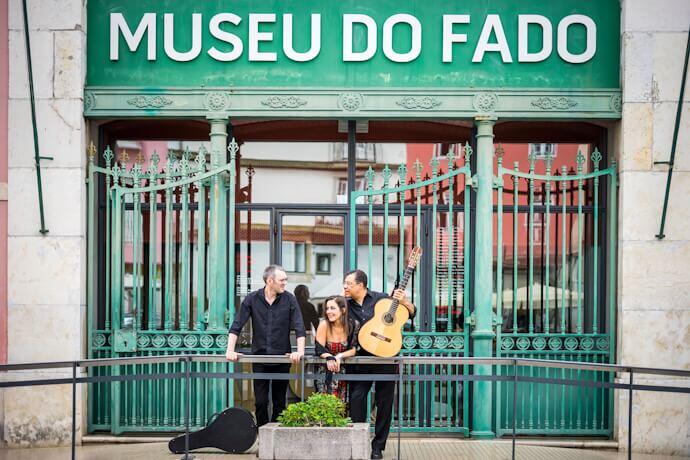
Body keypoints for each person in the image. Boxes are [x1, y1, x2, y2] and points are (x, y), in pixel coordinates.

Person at [343, 269, 415, 460]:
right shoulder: (345, 305)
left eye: (349, 283)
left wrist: (404, 301)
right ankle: (360, 442)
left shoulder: (382, 299)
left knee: (385, 403)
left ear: (361, 285)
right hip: (359, 358)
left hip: (386, 356)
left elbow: (411, 314)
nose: (345, 287)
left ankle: (378, 446)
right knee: (357, 399)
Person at [226, 265, 306, 427]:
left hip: (282, 360)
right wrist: (230, 350)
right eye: (282, 280)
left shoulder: (290, 299)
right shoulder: (252, 299)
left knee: (279, 403)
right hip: (260, 359)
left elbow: (299, 328)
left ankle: (276, 437)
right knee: (261, 403)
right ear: (270, 281)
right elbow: (236, 326)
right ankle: (262, 434)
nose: (285, 283)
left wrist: (300, 351)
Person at [313, 295, 359, 404]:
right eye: (327, 308)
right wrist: (329, 357)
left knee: (343, 406)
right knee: (325, 407)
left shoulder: (353, 325)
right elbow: (319, 349)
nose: (328, 311)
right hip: (325, 372)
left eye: (332, 308)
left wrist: (339, 356)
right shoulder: (324, 324)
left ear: (343, 310)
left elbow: (354, 349)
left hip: (344, 371)